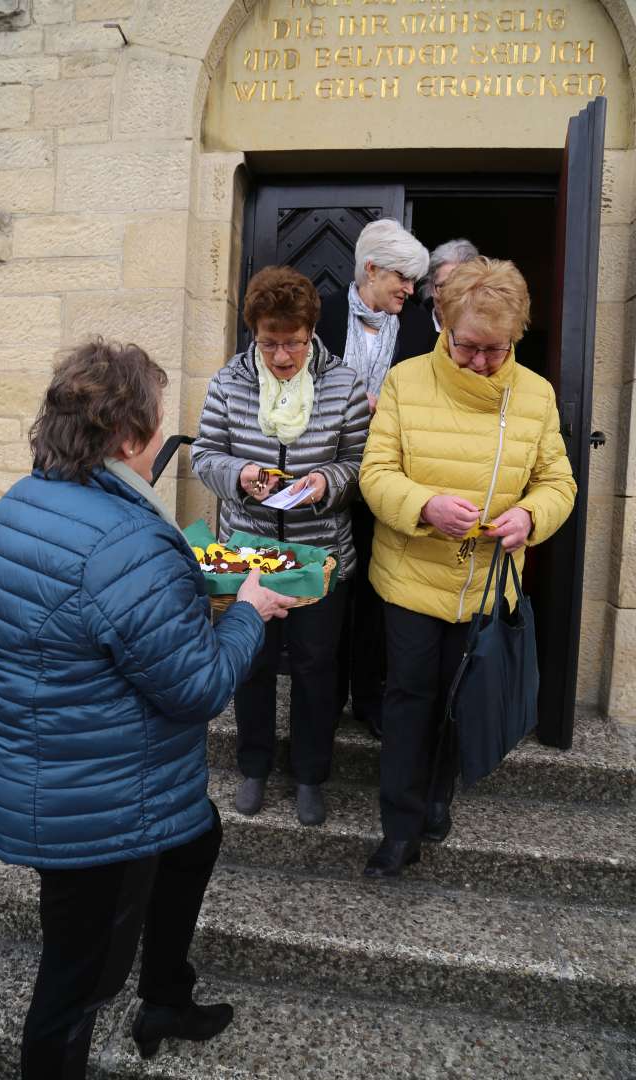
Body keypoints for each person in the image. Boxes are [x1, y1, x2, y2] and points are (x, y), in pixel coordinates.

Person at [0, 339, 295, 1079]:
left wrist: (174, 597)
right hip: (100, 802)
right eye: (156, 422)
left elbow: (87, 624)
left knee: (196, 840)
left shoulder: (23, 502)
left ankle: (166, 997)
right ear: (124, 436)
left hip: (57, 763)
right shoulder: (127, 540)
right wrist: (247, 610)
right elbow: (198, 686)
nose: (163, 438)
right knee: (77, 981)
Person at [359, 257, 577, 878]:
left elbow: (557, 482)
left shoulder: (534, 394)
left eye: (495, 350)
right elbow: (374, 477)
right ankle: (398, 828)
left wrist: (531, 518)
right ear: (444, 326)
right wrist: (424, 505)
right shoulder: (405, 381)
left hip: (485, 585)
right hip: (409, 577)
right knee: (408, 700)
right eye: (469, 348)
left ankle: (438, 795)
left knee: (460, 701)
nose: (481, 362)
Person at [191, 265, 370, 827]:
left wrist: (325, 484)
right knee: (252, 662)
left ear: (311, 332)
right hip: (247, 556)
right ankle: (254, 765)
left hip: (321, 558)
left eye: (293, 342)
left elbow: (362, 464)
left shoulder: (345, 385)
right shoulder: (228, 382)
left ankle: (312, 774)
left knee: (318, 668)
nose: (283, 356)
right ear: (254, 333)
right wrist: (241, 474)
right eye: (270, 342)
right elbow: (203, 456)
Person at [315, 218, 432, 739]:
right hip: (326, 475)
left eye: (414, 280)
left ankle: (368, 694)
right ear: (371, 269)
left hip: (389, 478)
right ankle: (321, 693)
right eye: (402, 278)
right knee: (326, 585)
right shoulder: (322, 313)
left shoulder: (419, 326)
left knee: (373, 589)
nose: (410, 289)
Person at [420, 237, 479, 338]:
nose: (449, 297)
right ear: (432, 287)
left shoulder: (487, 336)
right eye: (443, 286)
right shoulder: (411, 326)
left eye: (458, 288)